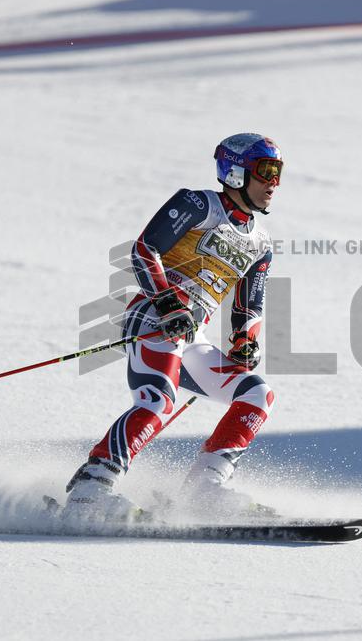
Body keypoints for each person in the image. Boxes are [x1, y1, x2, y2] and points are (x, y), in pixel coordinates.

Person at [64, 133, 282, 522]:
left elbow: (250, 304)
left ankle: (204, 490)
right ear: (235, 172)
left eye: (278, 172)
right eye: (265, 171)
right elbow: (144, 250)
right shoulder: (199, 205)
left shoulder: (261, 244)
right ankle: (90, 490)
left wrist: (246, 341)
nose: (273, 182)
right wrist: (167, 303)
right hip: (153, 318)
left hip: (190, 336)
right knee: (158, 402)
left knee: (256, 395)